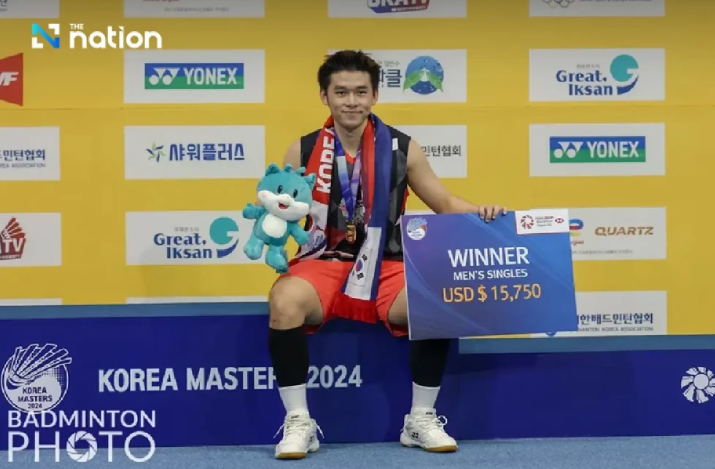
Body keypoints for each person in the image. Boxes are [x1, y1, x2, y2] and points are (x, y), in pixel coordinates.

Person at [268, 50, 507, 460]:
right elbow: (281, 209)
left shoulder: (402, 148)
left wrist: (487, 216)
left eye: (361, 92)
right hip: (322, 262)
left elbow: (445, 203)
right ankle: (299, 422)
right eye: (341, 92)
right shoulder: (302, 150)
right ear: (324, 96)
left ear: (375, 95)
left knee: (435, 303)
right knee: (283, 301)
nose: (351, 101)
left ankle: (420, 419)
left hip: (386, 264)